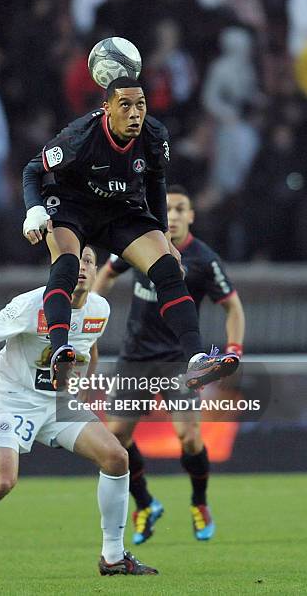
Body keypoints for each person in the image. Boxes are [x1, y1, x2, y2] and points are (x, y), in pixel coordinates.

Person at [0, 246, 158, 578]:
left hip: (58, 404)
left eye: (88, 262)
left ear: (97, 269)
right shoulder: (32, 304)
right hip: (11, 399)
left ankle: (113, 557)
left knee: (117, 457)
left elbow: (90, 346)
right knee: (1, 482)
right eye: (74, 262)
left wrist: (82, 391)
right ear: (59, 268)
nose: (82, 268)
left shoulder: (99, 307)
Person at [22, 75, 239, 390]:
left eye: (140, 104)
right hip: (74, 208)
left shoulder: (153, 135)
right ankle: (60, 351)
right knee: (68, 265)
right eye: (125, 105)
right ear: (107, 108)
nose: (135, 113)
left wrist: (163, 236)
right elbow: (33, 170)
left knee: (168, 268)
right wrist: (34, 211)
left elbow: (155, 180)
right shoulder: (80, 137)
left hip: (121, 211)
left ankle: (196, 360)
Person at [93, 186, 245, 544]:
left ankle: (200, 502)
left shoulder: (204, 260)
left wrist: (234, 348)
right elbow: (108, 272)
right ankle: (145, 502)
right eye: (168, 208)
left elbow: (233, 306)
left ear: (191, 216)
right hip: (136, 358)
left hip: (180, 361)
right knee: (116, 438)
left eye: (180, 209)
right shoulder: (140, 243)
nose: (173, 215)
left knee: (189, 438)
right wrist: (89, 317)